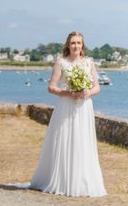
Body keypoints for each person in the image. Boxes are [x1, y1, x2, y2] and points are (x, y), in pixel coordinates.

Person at [29, 31, 106, 197]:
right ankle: (62, 180)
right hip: (66, 105)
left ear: (82, 45)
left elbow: (97, 87)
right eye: (73, 43)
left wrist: (87, 92)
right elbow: (51, 87)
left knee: (82, 141)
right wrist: (68, 93)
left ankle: (82, 181)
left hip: (84, 107)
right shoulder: (61, 62)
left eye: (79, 43)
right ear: (68, 45)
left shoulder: (89, 63)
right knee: (64, 139)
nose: (76, 46)